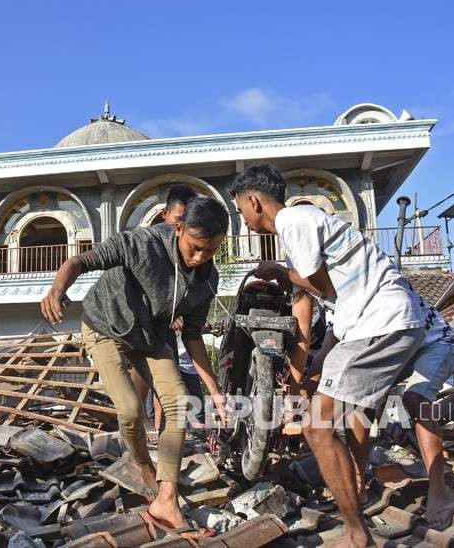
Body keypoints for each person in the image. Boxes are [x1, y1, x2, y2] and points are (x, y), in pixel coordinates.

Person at [229, 164, 426, 548]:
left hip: (381, 321)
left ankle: (356, 532)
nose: (244, 218)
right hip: (378, 322)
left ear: (254, 201)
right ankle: (355, 502)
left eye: (240, 210)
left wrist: (280, 273)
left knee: (317, 426)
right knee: (336, 418)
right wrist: (313, 366)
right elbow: (337, 300)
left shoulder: (293, 220)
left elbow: (322, 286)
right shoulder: (310, 223)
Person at [40, 196, 229, 532]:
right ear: (178, 226)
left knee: (177, 403)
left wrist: (215, 391)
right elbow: (80, 261)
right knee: (129, 409)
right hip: (105, 326)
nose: (199, 257)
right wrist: (57, 289)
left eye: (210, 251)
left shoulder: (206, 278)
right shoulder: (141, 244)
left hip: (149, 337)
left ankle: (166, 500)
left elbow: (194, 336)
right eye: (195, 247)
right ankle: (142, 465)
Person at [310, 289, 454, 529]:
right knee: (360, 401)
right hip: (400, 349)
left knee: (415, 398)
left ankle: (439, 491)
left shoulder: (370, 285)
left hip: (435, 342)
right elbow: (327, 349)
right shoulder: (332, 306)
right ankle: (358, 484)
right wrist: (303, 380)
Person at [129, 184, 206, 431]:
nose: (181, 227)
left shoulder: (191, 251)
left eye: (187, 221)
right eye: (177, 220)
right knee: (144, 361)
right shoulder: (150, 243)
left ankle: (165, 430)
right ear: (165, 215)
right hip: (140, 317)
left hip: (168, 328)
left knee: (167, 377)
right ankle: (141, 423)